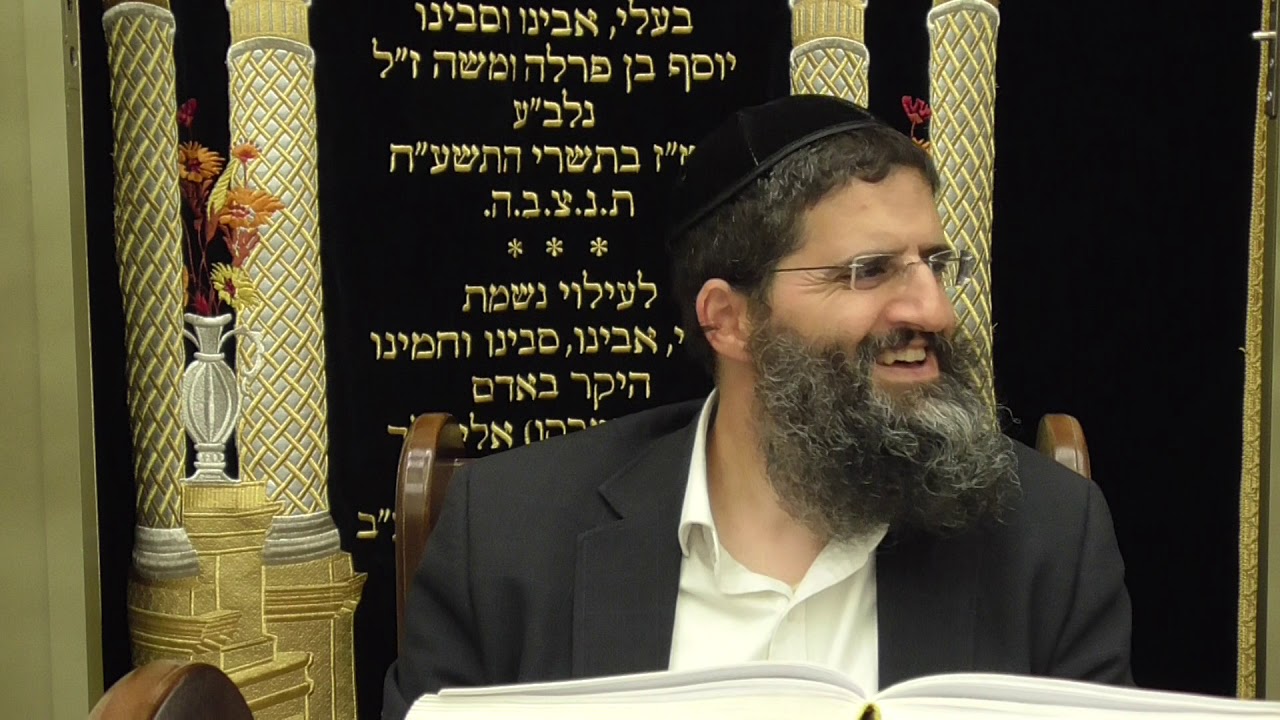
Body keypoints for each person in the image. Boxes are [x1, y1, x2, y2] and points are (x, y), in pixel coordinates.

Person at [381, 94, 1132, 719]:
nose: (935, 310)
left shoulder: (1046, 541)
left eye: (935, 265)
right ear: (729, 320)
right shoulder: (508, 540)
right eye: (870, 271)